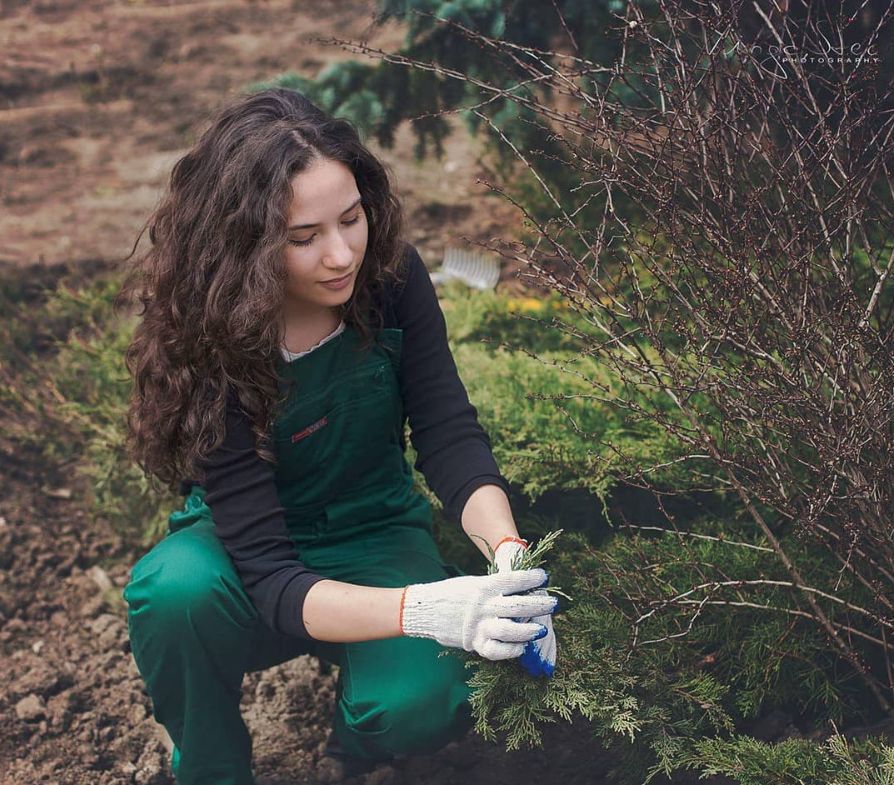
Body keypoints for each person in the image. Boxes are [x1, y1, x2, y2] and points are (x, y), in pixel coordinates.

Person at [117, 87, 558, 785]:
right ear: (247, 247)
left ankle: (354, 746)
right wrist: (427, 609)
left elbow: (446, 433)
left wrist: (506, 555)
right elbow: (271, 577)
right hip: (246, 547)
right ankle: (211, 765)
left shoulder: (390, 277)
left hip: (374, 528)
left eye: (351, 219)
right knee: (173, 593)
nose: (340, 254)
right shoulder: (214, 338)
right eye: (303, 238)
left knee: (421, 704)